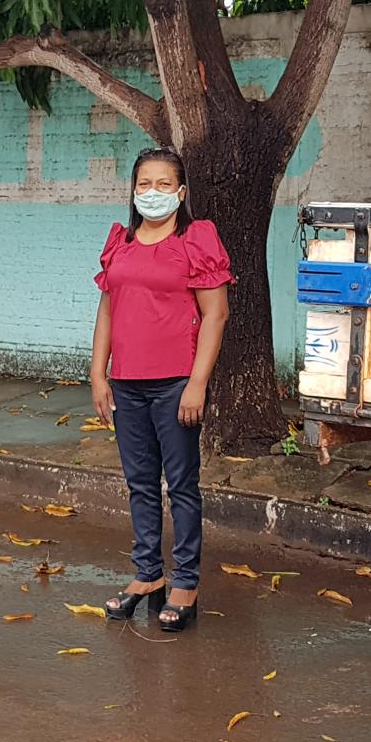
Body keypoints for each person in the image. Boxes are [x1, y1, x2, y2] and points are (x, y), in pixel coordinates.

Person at [90, 147, 231, 632]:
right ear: (133, 191)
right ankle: (147, 575)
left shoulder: (197, 241)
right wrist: (97, 372)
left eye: (163, 184)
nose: (153, 192)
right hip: (127, 384)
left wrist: (197, 383)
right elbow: (107, 310)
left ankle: (185, 582)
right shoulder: (121, 243)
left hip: (175, 384)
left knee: (182, 486)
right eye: (144, 184)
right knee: (140, 484)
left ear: (181, 192)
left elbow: (216, 314)